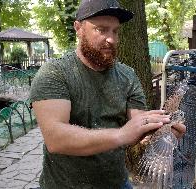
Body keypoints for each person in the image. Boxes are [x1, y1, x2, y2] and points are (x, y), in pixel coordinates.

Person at [30, 0, 186, 188]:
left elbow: (139, 126)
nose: (111, 39)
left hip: (116, 183)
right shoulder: (55, 73)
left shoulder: (127, 75)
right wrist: (122, 134)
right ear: (78, 28)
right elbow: (55, 138)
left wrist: (162, 130)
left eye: (115, 31)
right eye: (101, 29)